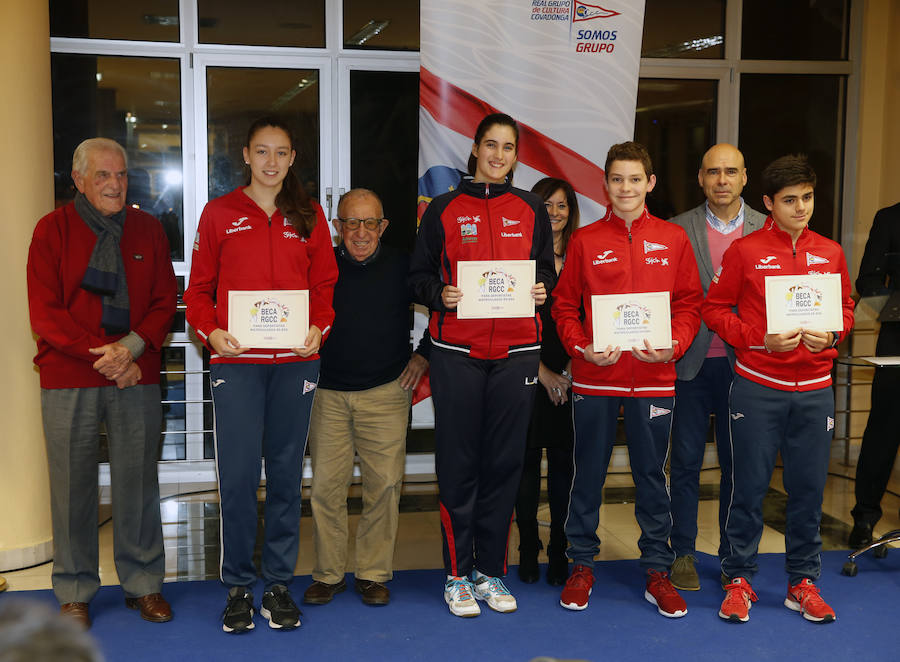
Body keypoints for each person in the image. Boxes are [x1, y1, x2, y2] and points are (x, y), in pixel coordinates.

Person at [184, 116, 338, 633]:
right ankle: (237, 587)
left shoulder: (309, 215)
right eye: (262, 152)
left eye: (282, 153)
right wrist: (210, 333)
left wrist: (320, 327)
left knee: (288, 476)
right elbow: (197, 291)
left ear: (293, 159)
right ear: (245, 155)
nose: (272, 162)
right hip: (238, 366)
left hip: (296, 365)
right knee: (239, 476)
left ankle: (276, 584)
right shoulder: (219, 214)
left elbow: (325, 287)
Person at [26, 137, 177, 629]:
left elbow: (163, 299)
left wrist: (130, 349)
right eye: (102, 175)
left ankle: (144, 585)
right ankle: (74, 590)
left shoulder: (149, 230)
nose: (114, 184)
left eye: (121, 174)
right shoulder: (52, 231)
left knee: (138, 481)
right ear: (79, 180)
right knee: (72, 486)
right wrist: (106, 356)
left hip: (136, 373)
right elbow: (46, 313)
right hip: (70, 375)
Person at [409, 112, 555, 618]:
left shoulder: (532, 208)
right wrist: (439, 294)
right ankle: (456, 574)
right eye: (490, 145)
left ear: (517, 156)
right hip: (457, 356)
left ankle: (490, 571)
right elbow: (418, 275)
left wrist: (543, 290)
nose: (498, 155)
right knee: (459, 465)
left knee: (504, 466)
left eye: (508, 147)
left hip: (517, 356)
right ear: (474, 149)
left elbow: (547, 277)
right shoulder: (443, 209)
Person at [552, 141, 702, 618]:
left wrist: (674, 346)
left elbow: (689, 305)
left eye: (635, 179)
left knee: (651, 478)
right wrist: (580, 349)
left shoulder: (674, 239)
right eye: (617, 179)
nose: (626, 188)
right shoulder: (585, 240)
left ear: (650, 183)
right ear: (606, 184)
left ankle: (657, 570)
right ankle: (581, 565)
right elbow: (563, 306)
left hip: (655, 377)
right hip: (597, 379)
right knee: (587, 476)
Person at [703, 154, 854, 624]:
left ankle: (803, 583)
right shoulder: (745, 251)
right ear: (768, 203)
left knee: (807, 492)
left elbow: (846, 307)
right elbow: (714, 309)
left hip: (814, 390)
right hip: (758, 388)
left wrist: (833, 335)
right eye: (790, 200)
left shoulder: (830, 252)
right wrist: (756, 338)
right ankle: (739, 579)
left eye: (807, 198)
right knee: (747, 489)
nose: (801, 208)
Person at [302, 188, 429, 608]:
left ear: (383, 226)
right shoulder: (320, 267)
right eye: (350, 223)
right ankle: (328, 574)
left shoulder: (402, 265)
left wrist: (423, 356)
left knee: (385, 486)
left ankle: (373, 574)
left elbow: (445, 307)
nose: (360, 232)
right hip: (328, 395)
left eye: (369, 222)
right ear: (336, 227)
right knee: (325, 489)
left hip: (385, 392)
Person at [667, 144, 767, 591]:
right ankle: (682, 552)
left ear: (745, 178)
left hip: (744, 366)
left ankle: (732, 557)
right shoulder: (674, 230)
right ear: (701, 178)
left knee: (737, 464)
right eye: (713, 172)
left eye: (731, 171)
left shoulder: (767, 228)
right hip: (688, 365)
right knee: (685, 463)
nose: (722, 180)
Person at [515, 177, 578, 586]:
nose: (554, 213)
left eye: (561, 206)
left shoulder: (583, 254)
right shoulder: (517, 256)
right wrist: (544, 373)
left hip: (573, 375)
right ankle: (526, 546)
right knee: (524, 468)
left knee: (563, 468)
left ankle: (559, 546)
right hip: (525, 372)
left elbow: (590, 318)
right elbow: (509, 322)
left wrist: (570, 372)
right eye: (546, 204)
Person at [848, 201, 900, 547]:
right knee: (884, 430)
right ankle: (865, 518)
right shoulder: (890, 218)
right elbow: (867, 280)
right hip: (898, 338)